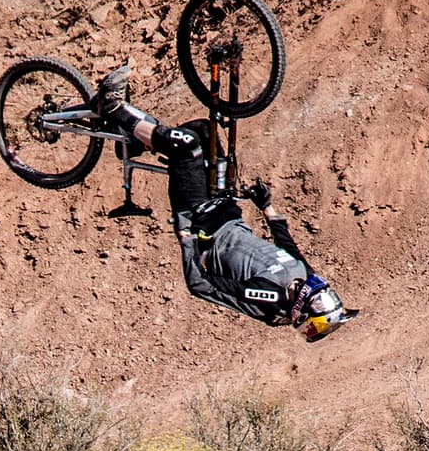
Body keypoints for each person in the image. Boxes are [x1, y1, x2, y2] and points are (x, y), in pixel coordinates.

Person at [94, 65, 357, 343]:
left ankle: (111, 107)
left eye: (321, 303)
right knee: (204, 131)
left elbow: (201, 285)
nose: (324, 293)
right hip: (226, 209)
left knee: (187, 147)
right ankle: (136, 137)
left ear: (304, 314)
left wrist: (186, 240)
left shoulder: (269, 300)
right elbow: (287, 244)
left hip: (199, 219)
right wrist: (266, 206)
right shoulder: (305, 276)